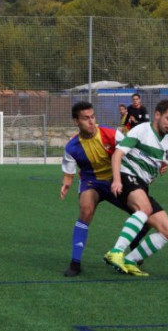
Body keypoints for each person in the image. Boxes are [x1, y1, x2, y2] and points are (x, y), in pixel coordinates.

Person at [103, 99, 168, 277]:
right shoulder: (142, 130)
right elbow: (118, 154)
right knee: (145, 208)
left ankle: (130, 260)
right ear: (157, 115)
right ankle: (116, 252)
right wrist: (117, 180)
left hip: (142, 186)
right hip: (127, 177)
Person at [60, 101, 150, 277]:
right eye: (86, 118)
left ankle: (133, 249)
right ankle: (75, 263)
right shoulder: (71, 147)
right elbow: (69, 174)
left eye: (92, 117)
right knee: (85, 212)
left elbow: (132, 151)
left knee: (146, 215)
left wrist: (155, 163)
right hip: (91, 183)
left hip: (118, 180)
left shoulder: (111, 134)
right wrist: (66, 184)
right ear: (76, 121)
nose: (91, 121)